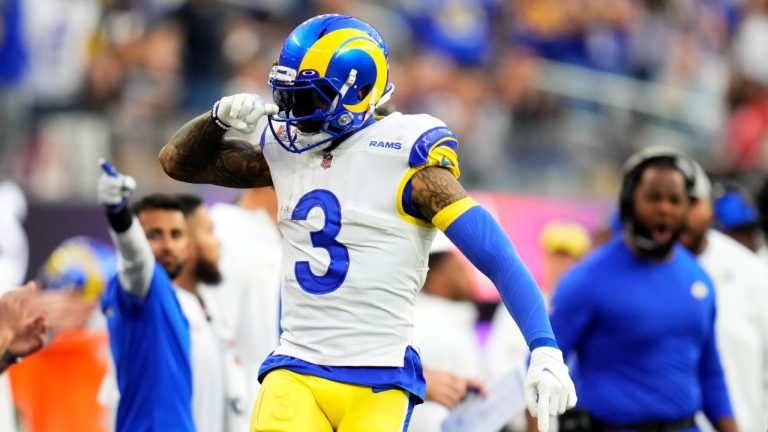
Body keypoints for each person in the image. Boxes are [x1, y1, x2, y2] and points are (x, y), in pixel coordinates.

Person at [159, 14, 576, 432]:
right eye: (289, 97)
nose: (294, 114)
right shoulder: (285, 152)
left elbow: (498, 257)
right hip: (297, 366)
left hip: (378, 378)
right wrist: (216, 120)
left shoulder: (407, 160)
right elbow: (177, 163)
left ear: (358, 94)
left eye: (309, 100)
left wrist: (544, 347)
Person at [551, 147, 736, 432]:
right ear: (629, 201)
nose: (664, 208)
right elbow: (542, 368)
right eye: (653, 197)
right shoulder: (587, 280)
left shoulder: (698, 279)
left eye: (674, 200)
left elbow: (709, 370)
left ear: (687, 208)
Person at [96, 163, 195, 432]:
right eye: (154, 235)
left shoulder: (176, 301)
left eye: (175, 234)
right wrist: (119, 215)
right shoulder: (140, 286)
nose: (167, 245)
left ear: (188, 246)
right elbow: (136, 261)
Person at [679, 163, 768, 432]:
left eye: (749, 231)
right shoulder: (654, 269)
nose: (747, 240)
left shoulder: (752, 271)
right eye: (736, 231)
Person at [174, 194, 249, 432]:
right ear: (186, 244)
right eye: (209, 232)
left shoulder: (210, 305)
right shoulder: (169, 312)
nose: (218, 242)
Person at [205, 188, 282, 409]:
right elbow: (218, 342)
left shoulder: (276, 238)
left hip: (276, 403)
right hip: (244, 409)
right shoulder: (225, 233)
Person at [409, 232, 484, 432]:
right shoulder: (415, 321)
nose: (467, 275)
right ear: (435, 274)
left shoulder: (455, 319)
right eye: (457, 267)